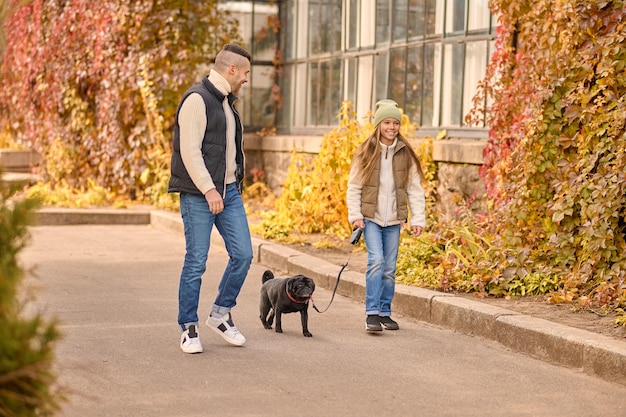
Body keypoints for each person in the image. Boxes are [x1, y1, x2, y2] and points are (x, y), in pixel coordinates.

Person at [168, 44, 254, 353]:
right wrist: (209, 189)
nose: (246, 79)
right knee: (196, 261)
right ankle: (188, 327)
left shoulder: (226, 103)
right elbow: (190, 152)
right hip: (199, 194)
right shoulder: (197, 100)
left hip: (228, 191)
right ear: (231, 69)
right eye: (244, 73)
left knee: (243, 255)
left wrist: (229, 186)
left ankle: (220, 314)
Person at [346, 99, 426, 332]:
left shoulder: (405, 154)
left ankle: (384, 312)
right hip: (370, 218)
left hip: (393, 220)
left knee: (389, 267)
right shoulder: (366, 152)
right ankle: (371, 314)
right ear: (379, 124)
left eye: (396, 123)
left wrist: (418, 219)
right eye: (387, 122)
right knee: (376, 262)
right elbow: (354, 187)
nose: (392, 127)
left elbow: (414, 188)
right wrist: (355, 216)